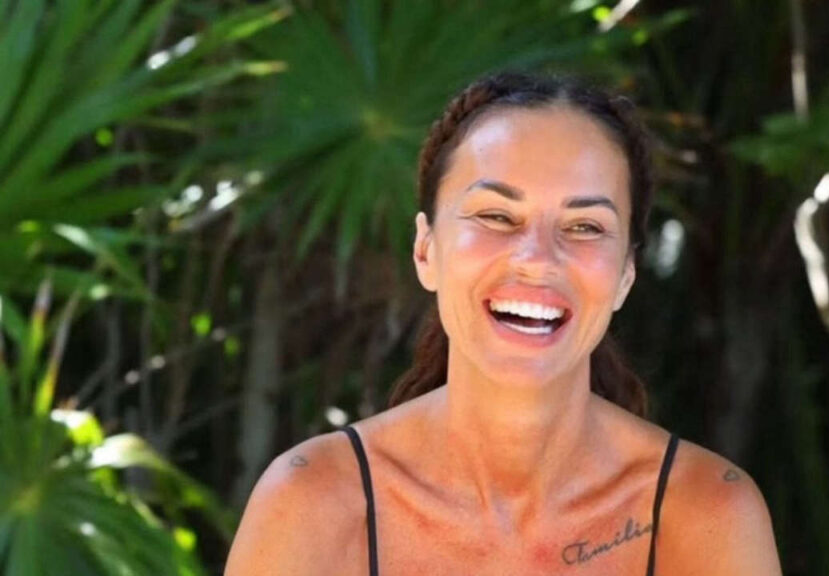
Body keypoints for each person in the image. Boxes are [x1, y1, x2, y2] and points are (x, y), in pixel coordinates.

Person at [225, 72, 782, 575]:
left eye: (585, 226)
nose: (537, 259)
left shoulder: (706, 511)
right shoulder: (314, 503)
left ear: (625, 276)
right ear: (426, 250)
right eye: (496, 216)